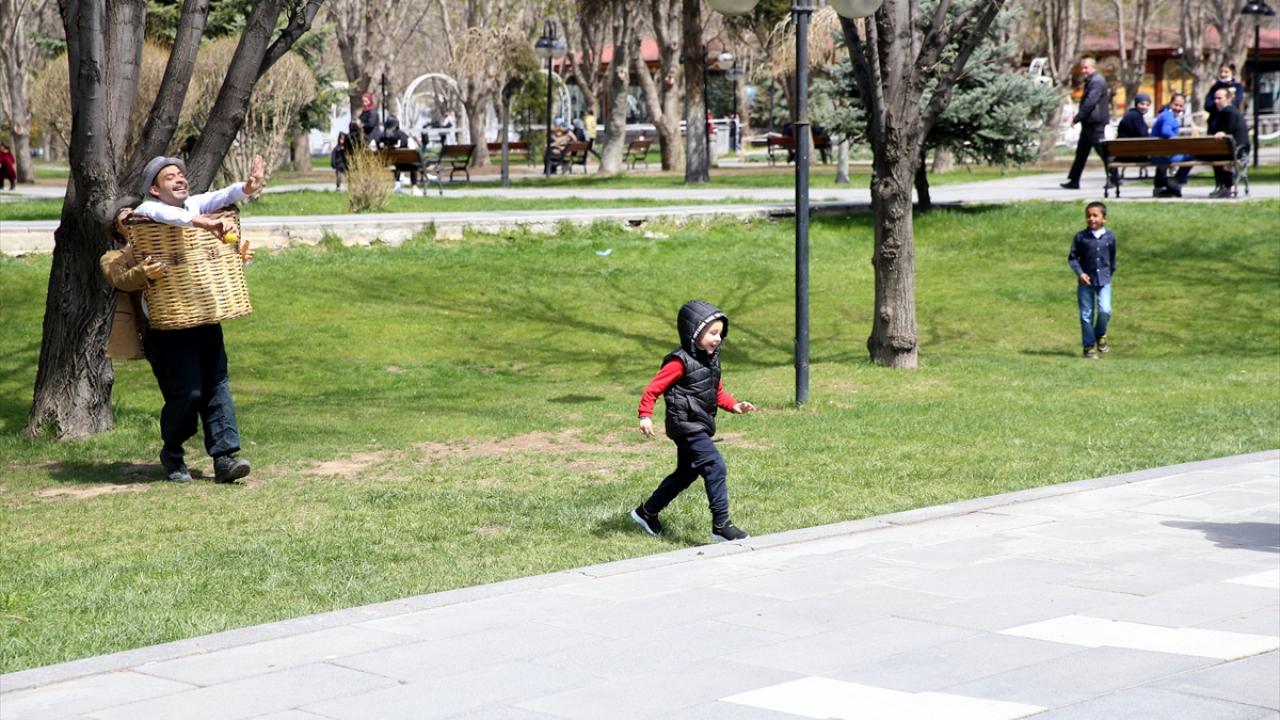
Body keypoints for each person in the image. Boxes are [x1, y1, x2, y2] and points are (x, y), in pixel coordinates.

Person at [122, 154, 265, 483]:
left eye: (180, 174)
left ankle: (225, 459)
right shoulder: (147, 211)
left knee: (217, 387)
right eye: (169, 177)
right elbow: (166, 216)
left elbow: (221, 196)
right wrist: (204, 223)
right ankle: (172, 451)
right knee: (188, 394)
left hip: (205, 315)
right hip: (167, 326)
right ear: (155, 190)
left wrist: (247, 187)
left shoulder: (194, 206)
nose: (179, 179)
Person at [630, 300, 757, 542]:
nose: (717, 339)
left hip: (698, 425)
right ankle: (721, 526)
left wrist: (735, 406)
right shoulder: (678, 362)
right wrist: (645, 416)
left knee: (686, 474)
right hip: (686, 426)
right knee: (715, 466)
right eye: (712, 333)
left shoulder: (711, 360)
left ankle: (646, 513)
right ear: (693, 332)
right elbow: (653, 389)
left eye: (720, 334)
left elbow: (716, 392)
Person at [1068, 201, 1116, 360]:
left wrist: (1109, 274)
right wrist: (1080, 273)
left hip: (1104, 280)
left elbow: (1112, 258)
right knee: (1086, 314)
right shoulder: (1081, 237)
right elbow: (1072, 258)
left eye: (1095, 215)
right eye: (1088, 216)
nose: (1091, 219)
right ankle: (1088, 347)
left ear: (1104, 218)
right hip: (1085, 282)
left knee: (1105, 310)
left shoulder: (1109, 237)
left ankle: (1100, 333)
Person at [1061, 57, 1111, 190]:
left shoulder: (1096, 81)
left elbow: (1090, 102)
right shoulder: (1092, 80)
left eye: (1086, 68)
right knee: (1081, 153)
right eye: (1082, 68)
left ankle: (1113, 178)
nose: (1083, 71)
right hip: (1089, 122)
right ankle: (1074, 180)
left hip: (1095, 122)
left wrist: (1077, 118)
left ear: (1093, 67)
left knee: (1102, 152)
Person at [1207, 87, 1250, 199]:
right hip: (1238, 149)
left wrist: (1222, 132)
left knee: (1215, 157)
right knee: (1215, 156)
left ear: (1228, 98)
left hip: (1235, 150)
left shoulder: (1228, 112)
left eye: (1219, 98)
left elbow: (1226, 130)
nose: (1216, 101)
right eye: (1215, 98)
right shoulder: (1228, 112)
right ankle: (1225, 187)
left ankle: (1225, 187)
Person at [1151, 93, 1192, 197]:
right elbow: (1165, 131)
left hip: (1157, 153)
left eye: (1180, 106)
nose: (1178, 108)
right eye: (1175, 105)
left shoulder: (1165, 115)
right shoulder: (1168, 117)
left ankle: (1164, 186)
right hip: (1161, 155)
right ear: (1170, 104)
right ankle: (1177, 181)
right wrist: (1177, 140)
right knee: (1191, 157)